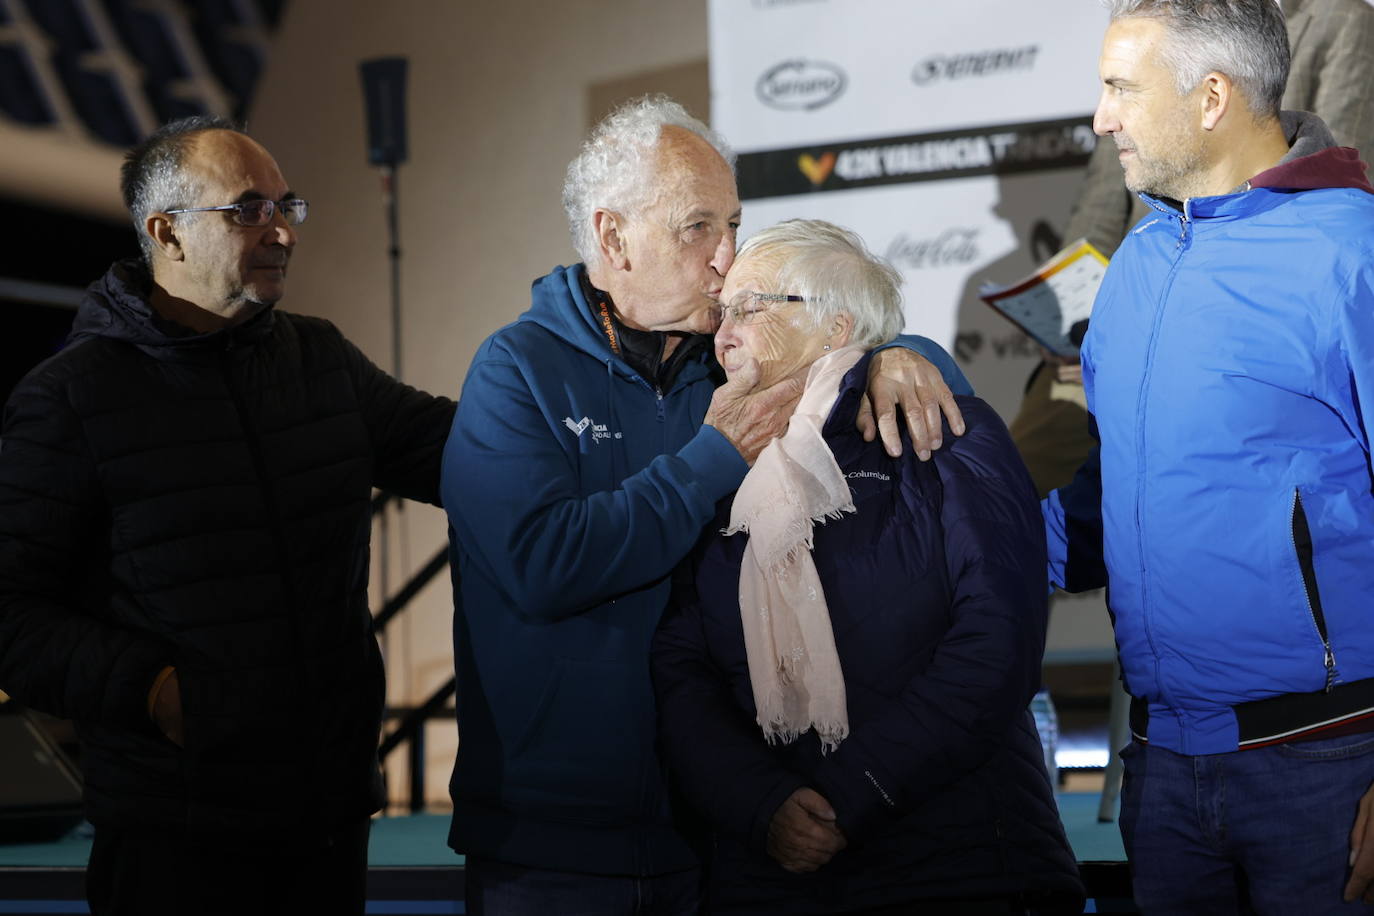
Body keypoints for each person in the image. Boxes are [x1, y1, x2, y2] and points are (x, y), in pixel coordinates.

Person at [441, 95, 971, 914]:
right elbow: (542, 566)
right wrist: (710, 460)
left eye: (733, 223)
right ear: (612, 237)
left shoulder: (730, 367)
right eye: (698, 228)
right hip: (554, 849)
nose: (729, 258)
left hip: (731, 835)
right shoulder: (516, 371)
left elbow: (844, 332)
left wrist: (904, 351)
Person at [0, 116, 455, 916]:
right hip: (175, 836)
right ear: (165, 231)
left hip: (327, 817)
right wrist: (156, 690)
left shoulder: (320, 359)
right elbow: (9, 612)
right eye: (248, 209)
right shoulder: (71, 397)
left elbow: (467, 453)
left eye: (288, 206)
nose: (280, 230)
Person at [650, 219, 1084, 914]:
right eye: (720, 313)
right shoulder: (717, 462)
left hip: (960, 867)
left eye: (750, 307)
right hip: (772, 875)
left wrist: (850, 793)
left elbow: (998, 643)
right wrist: (766, 805)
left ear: (836, 325)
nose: (723, 334)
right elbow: (681, 667)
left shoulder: (943, 430)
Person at [1043, 1, 1374, 911]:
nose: (1103, 117)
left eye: (1120, 88)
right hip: (1162, 775)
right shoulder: (1140, 262)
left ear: (1212, 97)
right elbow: (1116, 491)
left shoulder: (1354, 253)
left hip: (1329, 769)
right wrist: (947, 533)